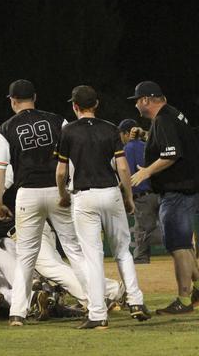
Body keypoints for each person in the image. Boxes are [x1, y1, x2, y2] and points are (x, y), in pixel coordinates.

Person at [0, 79, 87, 327]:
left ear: (12, 101)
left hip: (28, 193)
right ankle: (94, 300)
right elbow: (74, 157)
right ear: (35, 97)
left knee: (26, 257)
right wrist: (70, 189)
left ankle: (17, 313)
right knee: (73, 249)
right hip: (57, 190)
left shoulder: (6, 128)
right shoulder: (57, 120)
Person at [56, 85, 150, 329]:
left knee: (93, 257)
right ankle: (136, 301)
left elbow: (61, 171)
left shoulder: (68, 131)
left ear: (75, 106)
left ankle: (98, 315)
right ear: (96, 104)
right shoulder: (111, 129)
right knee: (122, 251)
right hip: (110, 193)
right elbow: (122, 168)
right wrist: (128, 196)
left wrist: (62, 194)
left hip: (84, 196)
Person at [128, 80, 199, 314]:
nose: (136, 104)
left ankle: (184, 300)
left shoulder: (164, 119)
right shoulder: (172, 114)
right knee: (182, 244)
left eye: (137, 100)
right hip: (183, 189)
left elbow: (171, 154)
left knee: (178, 246)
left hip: (178, 190)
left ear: (146, 99)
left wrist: (146, 171)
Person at [118, 119, 161, 264]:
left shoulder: (128, 149)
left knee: (143, 230)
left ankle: (184, 237)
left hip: (141, 195)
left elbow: (127, 174)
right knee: (145, 228)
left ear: (126, 133)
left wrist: (120, 192)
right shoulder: (147, 145)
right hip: (156, 193)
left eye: (121, 134)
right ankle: (142, 257)